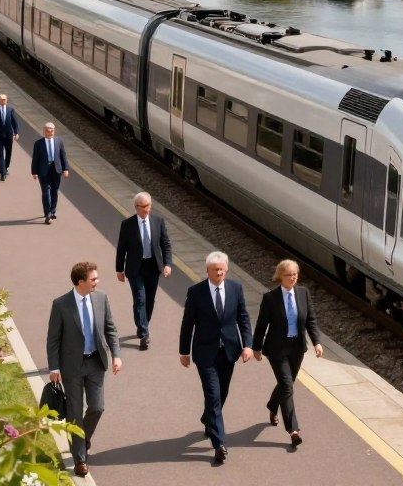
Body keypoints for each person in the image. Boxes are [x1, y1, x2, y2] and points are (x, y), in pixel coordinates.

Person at [46, 261, 122, 478]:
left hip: (96, 362)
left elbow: (110, 329)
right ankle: (80, 459)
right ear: (81, 282)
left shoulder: (101, 298)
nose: (97, 282)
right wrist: (54, 367)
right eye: (93, 279)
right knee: (74, 413)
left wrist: (116, 355)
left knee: (97, 407)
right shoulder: (61, 304)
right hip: (72, 367)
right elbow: (53, 339)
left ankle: (82, 437)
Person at [179, 251, 253, 466]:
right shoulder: (196, 292)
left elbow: (243, 318)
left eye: (221, 269)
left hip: (229, 351)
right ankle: (219, 444)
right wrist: (184, 351)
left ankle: (208, 419)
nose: (219, 273)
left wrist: (247, 345)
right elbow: (188, 324)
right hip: (205, 353)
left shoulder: (235, 289)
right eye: (214, 270)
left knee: (222, 393)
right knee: (213, 395)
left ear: (226, 269)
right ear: (207, 271)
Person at [252, 260, 323, 447]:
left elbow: (311, 320)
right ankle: (293, 430)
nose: (292, 278)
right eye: (288, 274)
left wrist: (317, 342)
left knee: (286, 383)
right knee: (287, 386)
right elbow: (261, 325)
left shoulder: (303, 293)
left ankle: (272, 406)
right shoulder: (270, 298)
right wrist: (256, 348)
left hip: (296, 348)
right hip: (276, 349)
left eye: (294, 274)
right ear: (279, 277)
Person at [116, 192, 172, 350]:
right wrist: (119, 269)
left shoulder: (158, 222)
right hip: (135, 268)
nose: (146, 209)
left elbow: (165, 244)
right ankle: (145, 333)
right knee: (140, 298)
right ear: (136, 207)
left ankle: (142, 325)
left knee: (149, 300)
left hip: (153, 267)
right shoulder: (127, 225)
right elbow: (122, 248)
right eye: (142, 207)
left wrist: (168, 264)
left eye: (148, 206)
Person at [31, 122, 70, 225]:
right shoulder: (38, 143)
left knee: (55, 191)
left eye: (52, 131)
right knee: (46, 192)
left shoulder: (59, 142)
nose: (50, 133)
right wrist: (34, 172)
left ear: (54, 131)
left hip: (56, 170)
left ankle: (52, 210)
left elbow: (63, 156)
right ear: (44, 131)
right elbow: (35, 159)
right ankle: (47, 213)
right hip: (43, 171)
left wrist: (66, 169)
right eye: (48, 131)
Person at [0, 93, 20, 181]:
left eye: (4, 99)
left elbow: (14, 122)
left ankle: (6, 167)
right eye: (1, 100)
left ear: (6, 100)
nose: (3, 101)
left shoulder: (11, 110)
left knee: (8, 152)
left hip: (9, 135)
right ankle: (2, 173)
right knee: (0, 154)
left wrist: (16, 133)